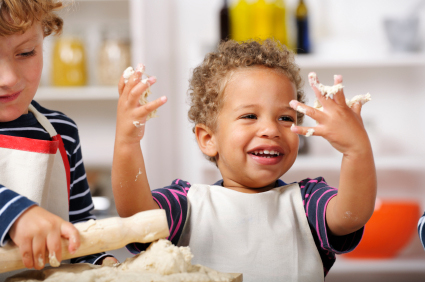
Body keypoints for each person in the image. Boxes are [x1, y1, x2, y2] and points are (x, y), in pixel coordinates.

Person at [112, 39, 377, 282]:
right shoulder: (186, 205)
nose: (271, 130)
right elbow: (138, 219)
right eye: (250, 116)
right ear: (208, 139)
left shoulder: (308, 203)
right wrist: (127, 142)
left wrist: (357, 150)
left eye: (286, 118)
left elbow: (350, 215)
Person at [0, 0, 117, 271]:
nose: (7, 78)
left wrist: (101, 262)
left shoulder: (62, 132)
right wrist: (16, 214)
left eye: (26, 52)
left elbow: (79, 234)